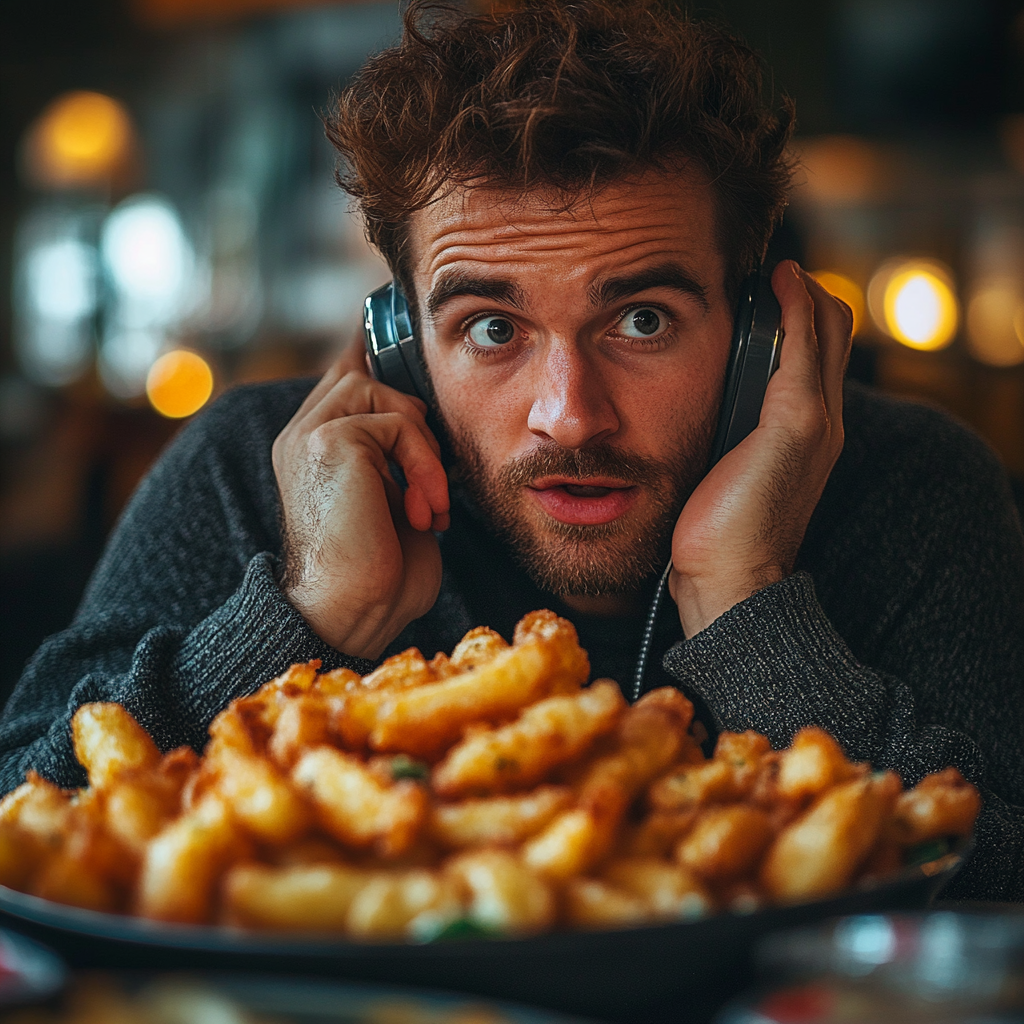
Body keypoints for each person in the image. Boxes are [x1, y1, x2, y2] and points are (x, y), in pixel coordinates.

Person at [2, 0, 1022, 901]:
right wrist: (312, 609)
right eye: (492, 328)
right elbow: (19, 828)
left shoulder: (919, 487)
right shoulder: (243, 469)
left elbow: (999, 895)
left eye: (643, 321)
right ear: (402, 347)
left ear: (762, 331)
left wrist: (747, 602)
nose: (567, 416)